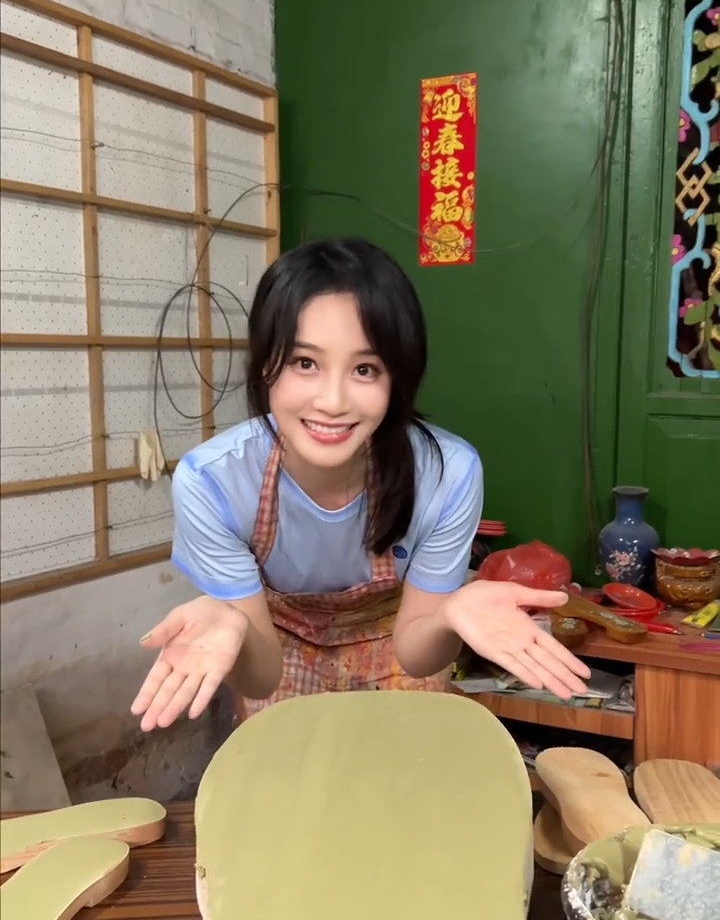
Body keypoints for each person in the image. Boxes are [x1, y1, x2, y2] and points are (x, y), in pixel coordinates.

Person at [131, 238, 589, 731]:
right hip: (278, 648)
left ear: (398, 380)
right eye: (305, 363)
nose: (332, 402)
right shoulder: (213, 482)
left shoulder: (447, 474)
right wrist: (234, 624)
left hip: (399, 648)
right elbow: (261, 678)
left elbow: (416, 654)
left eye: (365, 369)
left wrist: (449, 615)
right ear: (266, 364)